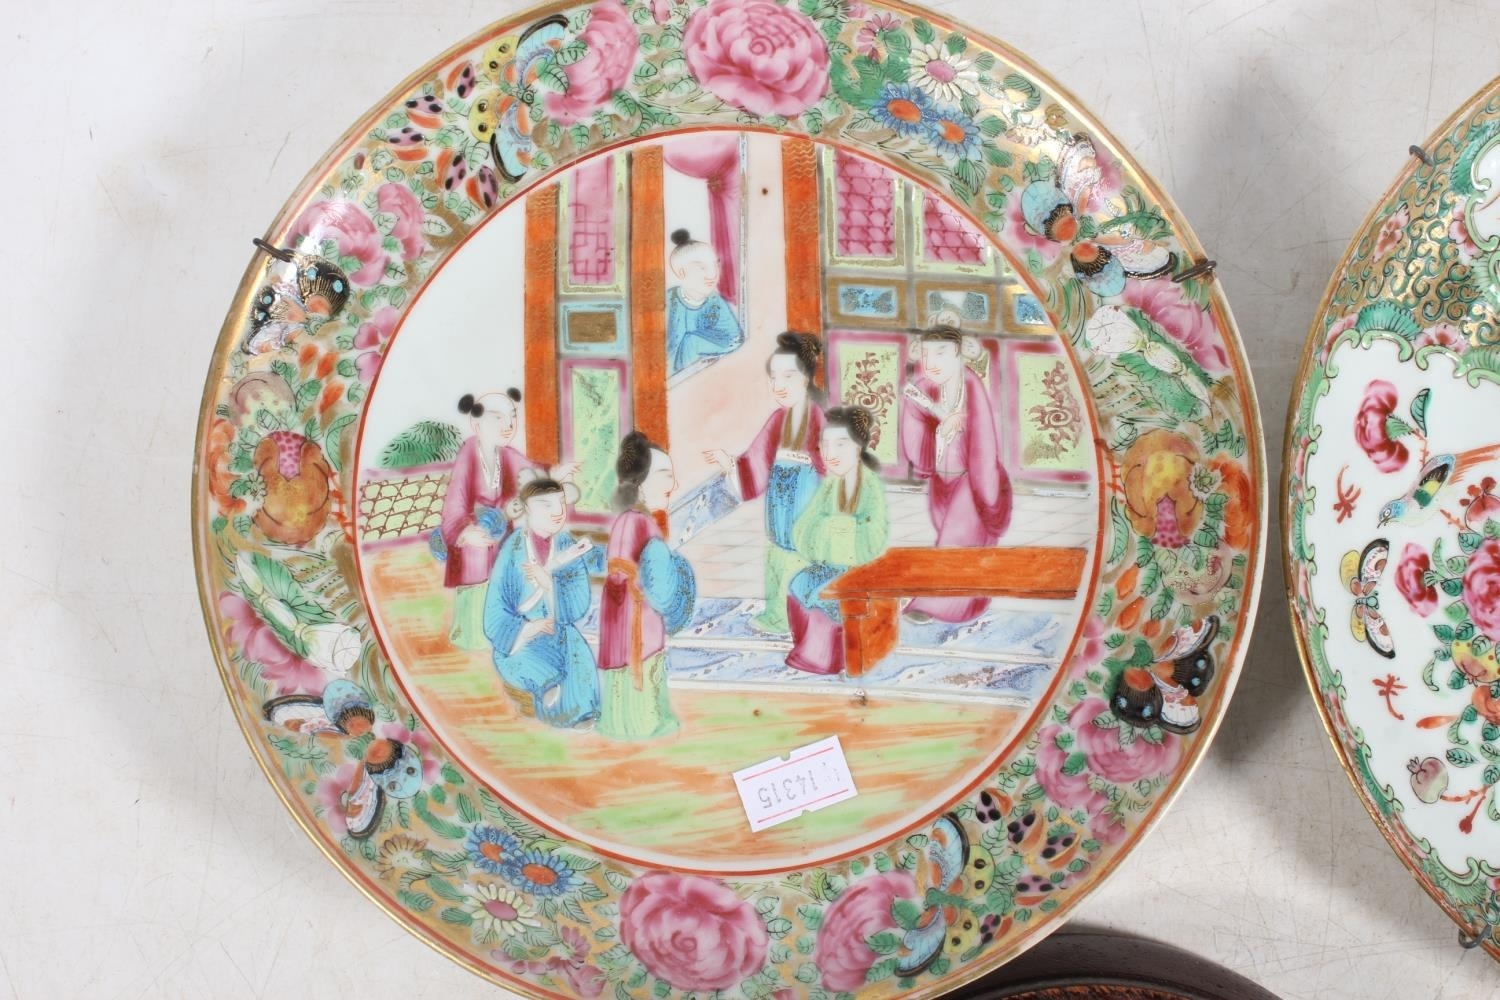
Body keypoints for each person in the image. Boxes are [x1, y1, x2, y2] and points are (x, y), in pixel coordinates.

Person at [704, 332, 827, 634]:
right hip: (780, 507)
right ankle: (778, 615)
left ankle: (805, 616)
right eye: (774, 378)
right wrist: (730, 465)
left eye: (788, 376)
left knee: (803, 559)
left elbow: (832, 468)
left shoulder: (817, 418)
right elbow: (756, 461)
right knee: (777, 556)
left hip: (808, 507)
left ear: (805, 378)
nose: (779, 385)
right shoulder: (777, 420)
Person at [438, 390, 578, 650]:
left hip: (501, 529)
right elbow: (455, 500)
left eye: (512, 417)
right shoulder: (468, 454)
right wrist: (464, 532)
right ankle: (472, 634)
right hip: (475, 530)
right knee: (477, 560)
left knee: (509, 570)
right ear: (476, 424)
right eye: (498, 418)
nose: (508, 425)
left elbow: (532, 472)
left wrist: (554, 473)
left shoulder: (507, 455)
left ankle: (503, 627)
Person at [899, 324, 1012, 624]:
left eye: (941, 353)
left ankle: (934, 604)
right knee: (954, 543)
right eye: (926, 355)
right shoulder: (922, 388)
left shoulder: (971, 386)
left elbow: (984, 442)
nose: (932, 362)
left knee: (957, 542)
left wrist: (962, 420)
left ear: (958, 354)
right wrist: (932, 421)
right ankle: (967, 603)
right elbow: (915, 431)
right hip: (942, 479)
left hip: (971, 479)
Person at [597, 432, 697, 740]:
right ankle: (643, 726)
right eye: (665, 475)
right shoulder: (641, 522)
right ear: (641, 483)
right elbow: (659, 585)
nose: (673, 484)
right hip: (639, 614)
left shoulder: (629, 520)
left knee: (624, 669)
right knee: (642, 666)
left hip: (620, 611)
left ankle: (622, 725)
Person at [483, 475, 603, 728]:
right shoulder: (513, 549)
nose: (557, 511)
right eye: (546, 505)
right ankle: (551, 707)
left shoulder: (566, 544)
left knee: (577, 659)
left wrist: (549, 584)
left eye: (561, 502)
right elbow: (496, 608)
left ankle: (582, 715)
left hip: (559, 627)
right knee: (541, 670)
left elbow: (578, 598)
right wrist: (528, 628)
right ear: (527, 508)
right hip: (521, 636)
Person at [785, 407, 890, 675]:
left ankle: (824, 658)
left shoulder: (870, 486)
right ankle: (809, 646)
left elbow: (874, 535)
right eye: (826, 445)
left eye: (841, 445)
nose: (831, 453)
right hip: (832, 564)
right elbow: (804, 528)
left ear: (858, 447)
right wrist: (833, 528)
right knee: (799, 582)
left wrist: (833, 526)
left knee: (823, 593)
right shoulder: (831, 486)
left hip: (861, 566)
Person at [666, 228, 744, 376]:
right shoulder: (668, 302)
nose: (712, 274)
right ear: (681, 272)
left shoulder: (715, 303)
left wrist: (695, 344)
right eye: (702, 268)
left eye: (715, 265)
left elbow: (735, 339)